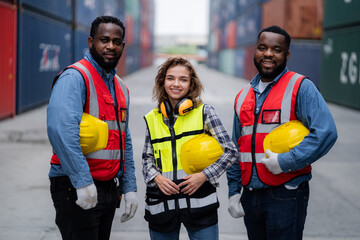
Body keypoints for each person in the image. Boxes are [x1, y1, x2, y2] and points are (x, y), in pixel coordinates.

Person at [226, 25, 338, 240]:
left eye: (276, 49)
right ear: (255, 52)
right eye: (262, 47)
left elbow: (326, 133)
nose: (268, 53)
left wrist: (285, 162)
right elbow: (236, 147)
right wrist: (233, 191)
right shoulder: (242, 95)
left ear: (286, 55)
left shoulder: (301, 87)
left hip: (286, 194)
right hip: (250, 195)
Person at [47, 16, 138, 240]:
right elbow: (61, 132)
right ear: (90, 42)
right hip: (74, 186)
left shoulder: (121, 88)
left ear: (123, 46)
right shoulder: (75, 77)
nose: (110, 46)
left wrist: (129, 187)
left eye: (117, 42)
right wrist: (83, 182)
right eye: (104, 39)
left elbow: (123, 140)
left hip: (108, 188)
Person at [142, 56, 238, 240]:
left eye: (183, 79)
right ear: (162, 82)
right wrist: (157, 177)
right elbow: (147, 159)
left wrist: (204, 176)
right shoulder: (152, 118)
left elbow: (230, 151)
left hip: (200, 203)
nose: (176, 84)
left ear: (191, 84)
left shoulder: (205, 113)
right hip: (161, 205)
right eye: (170, 78)